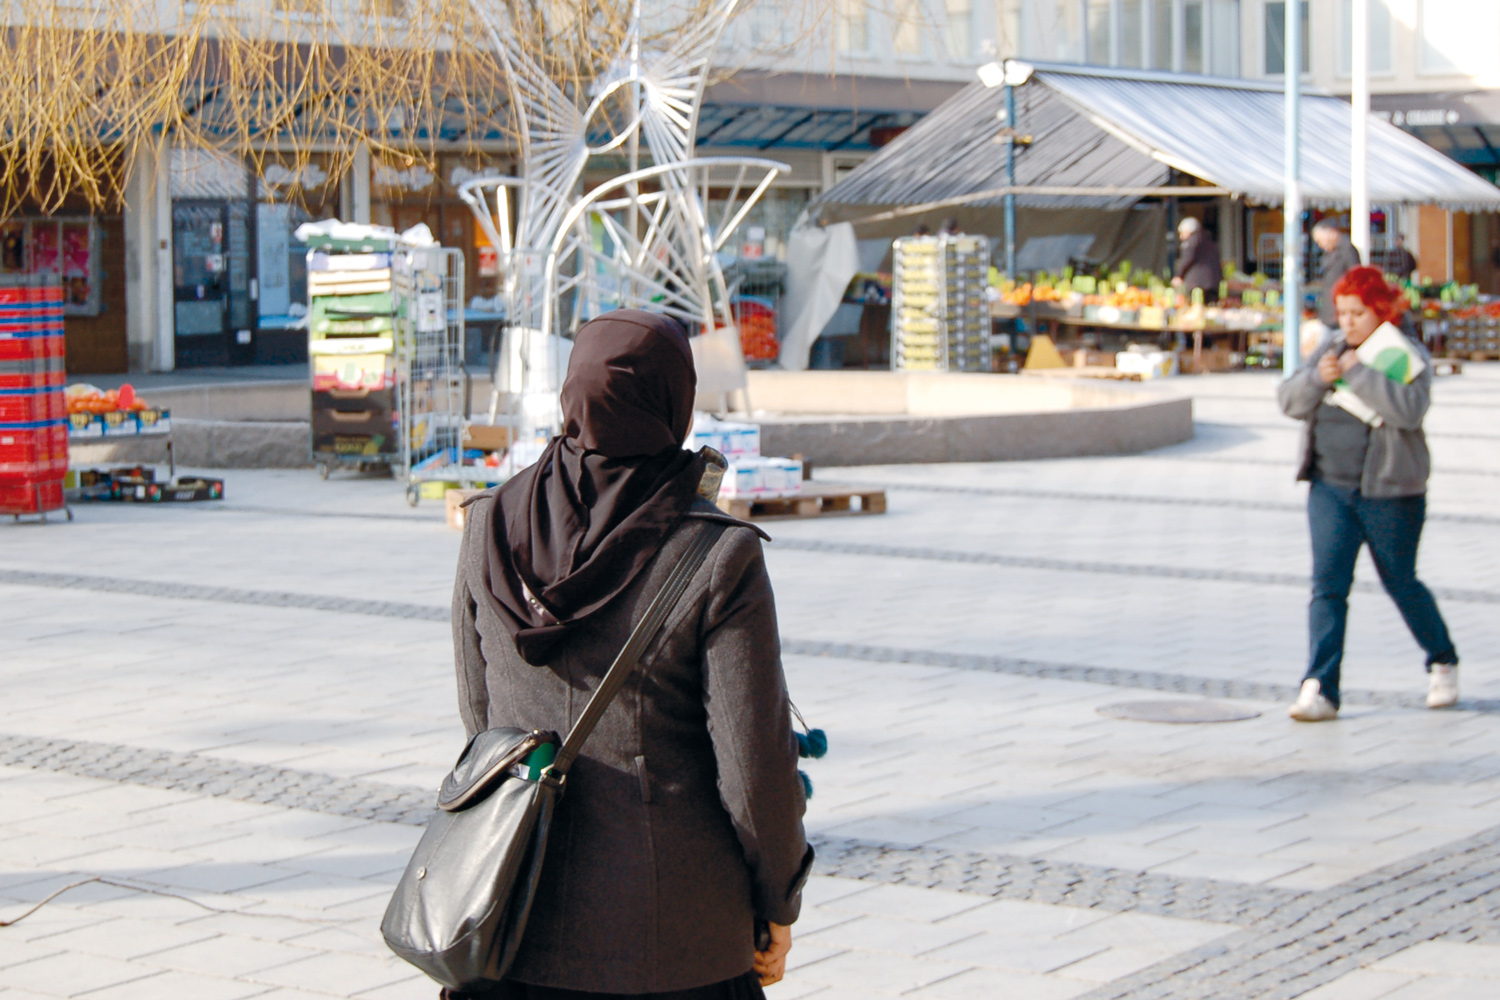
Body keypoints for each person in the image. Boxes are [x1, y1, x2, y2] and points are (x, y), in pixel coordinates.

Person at [448, 310, 813, 999]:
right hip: (674, 941)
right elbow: (753, 767)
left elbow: (481, 719)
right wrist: (779, 900)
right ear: (675, 402)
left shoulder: (489, 524)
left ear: (573, 393)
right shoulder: (716, 554)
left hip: (511, 921)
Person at [1276, 266, 1459, 722]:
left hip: (1390, 491)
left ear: (1380, 311)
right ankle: (1320, 686)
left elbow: (1410, 410)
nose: (1348, 322)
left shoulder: (1404, 352)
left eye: (1357, 313)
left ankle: (1441, 659)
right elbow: (1288, 401)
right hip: (1329, 487)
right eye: (1342, 313)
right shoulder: (1332, 347)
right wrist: (1317, 379)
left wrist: (1358, 374)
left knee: (1401, 581)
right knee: (1328, 586)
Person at [1312, 220, 1362, 330]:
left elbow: (1355, 279)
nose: (1320, 245)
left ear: (1331, 233)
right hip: (1329, 309)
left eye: (1320, 240)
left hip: (1339, 310)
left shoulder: (1347, 250)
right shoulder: (1329, 252)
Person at [1170, 217, 1221, 303]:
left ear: (1188, 231)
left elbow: (1187, 259)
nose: (1180, 237)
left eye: (1181, 233)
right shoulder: (1208, 239)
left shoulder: (1191, 242)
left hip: (1197, 282)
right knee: (1210, 305)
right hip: (1213, 282)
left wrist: (1179, 275)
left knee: (1196, 305)